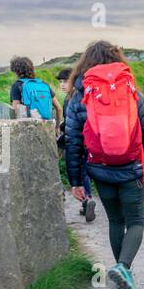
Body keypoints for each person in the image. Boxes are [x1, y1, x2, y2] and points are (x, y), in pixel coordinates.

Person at [63, 40, 144, 289]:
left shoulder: (79, 94)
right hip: (132, 167)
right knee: (136, 221)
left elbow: (73, 141)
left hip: (99, 168)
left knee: (116, 220)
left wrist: (75, 180)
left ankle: (123, 269)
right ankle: (123, 268)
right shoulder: (129, 88)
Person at [56, 68, 95, 222]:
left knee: (80, 171)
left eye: (65, 81)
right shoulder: (73, 97)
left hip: (78, 141)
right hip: (84, 141)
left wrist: (62, 129)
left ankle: (87, 199)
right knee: (83, 172)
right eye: (60, 82)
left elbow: (73, 121)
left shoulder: (72, 99)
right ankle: (87, 200)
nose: (62, 85)